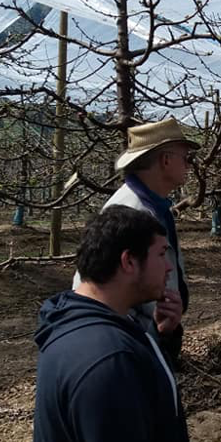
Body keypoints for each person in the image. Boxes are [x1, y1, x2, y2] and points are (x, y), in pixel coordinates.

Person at [30, 205, 199, 442]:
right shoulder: (107, 360)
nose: (168, 267)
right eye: (162, 254)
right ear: (129, 261)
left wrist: (163, 337)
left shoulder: (84, 326)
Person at [76, 118, 199, 363]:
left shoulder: (156, 208)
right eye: (186, 158)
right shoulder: (130, 213)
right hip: (129, 349)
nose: (189, 166)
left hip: (148, 340)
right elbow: (99, 292)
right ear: (166, 160)